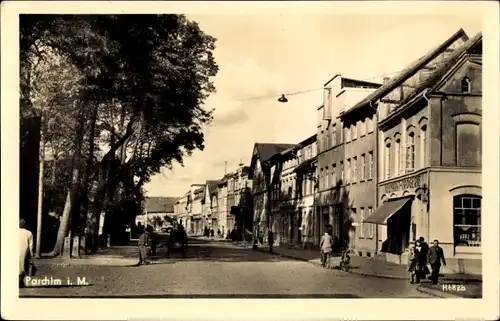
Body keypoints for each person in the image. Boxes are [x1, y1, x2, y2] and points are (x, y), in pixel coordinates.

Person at [19, 219, 34, 288]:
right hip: (24, 250)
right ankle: (21, 281)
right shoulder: (29, 233)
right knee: (23, 265)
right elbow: (31, 245)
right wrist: (31, 254)